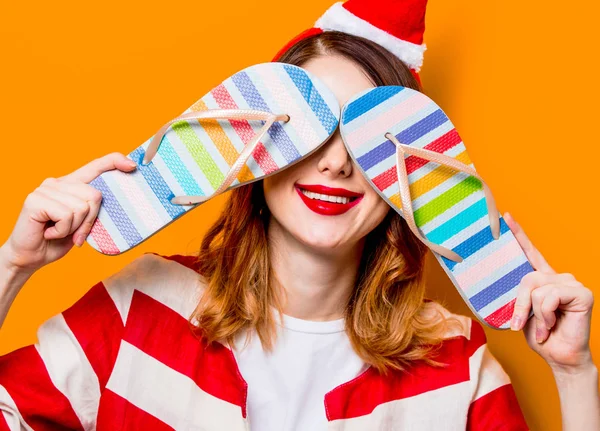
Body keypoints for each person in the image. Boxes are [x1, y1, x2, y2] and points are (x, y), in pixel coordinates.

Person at [1, 17, 598, 431]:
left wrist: (573, 375)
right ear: (252, 151)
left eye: (368, 141)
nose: (337, 162)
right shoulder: (137, 309)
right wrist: (12, 265)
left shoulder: (458, 364)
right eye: (313, 130)